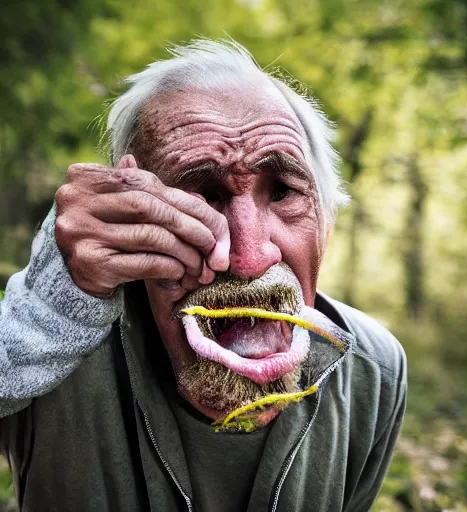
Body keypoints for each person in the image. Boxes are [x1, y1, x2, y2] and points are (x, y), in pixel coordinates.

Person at [0, 39, 407, 512]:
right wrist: (49, 312)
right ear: (133, 215)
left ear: (327, 221)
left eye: (284, 193)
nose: (250, 258)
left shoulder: (374, 371)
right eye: (204, 196)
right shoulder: (61, 364)